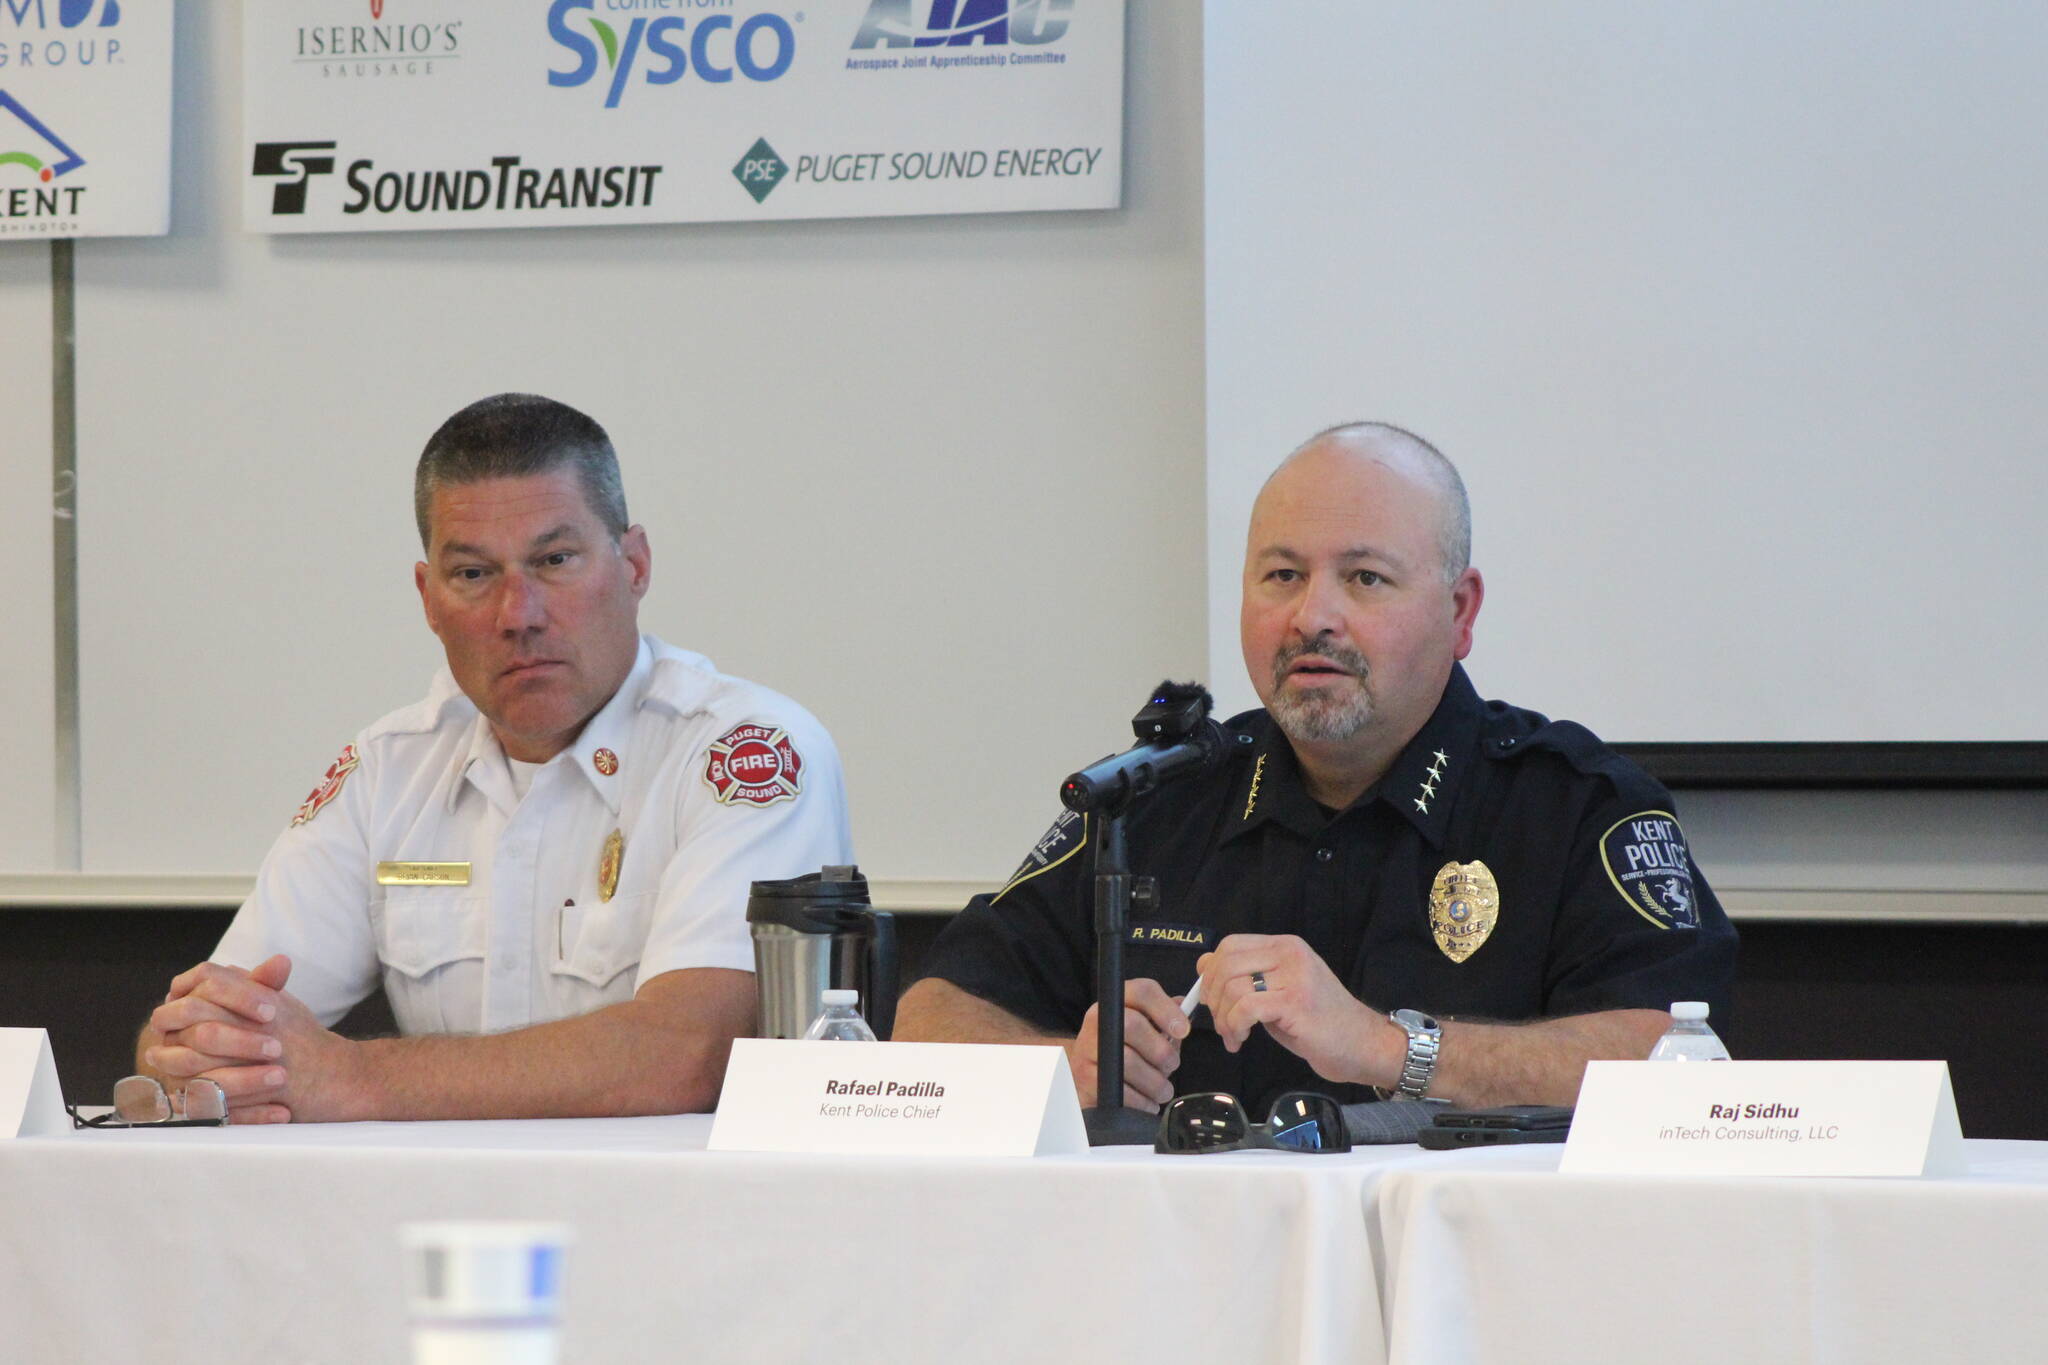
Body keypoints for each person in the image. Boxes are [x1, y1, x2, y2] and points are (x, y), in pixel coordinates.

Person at [895, 422, 1736, 1114]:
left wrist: (1387, 1047)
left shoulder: (1575, 807)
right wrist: (1062, 1071)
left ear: (1460, 610)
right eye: (1283, 575)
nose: (1313, 616)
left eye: (1365, 577)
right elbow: (930, 1012)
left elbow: (1673, 1060)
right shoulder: (1156, 798)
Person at [137, 393, 851, 1123]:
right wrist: (199, 1049)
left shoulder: (746, 753)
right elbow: (202, 1035)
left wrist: (359, 1076)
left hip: (676, 1219)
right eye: (475, 574)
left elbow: (692, 1049)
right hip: (424, 1216)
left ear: (633, 565)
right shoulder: (391, 768)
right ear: (428, 598)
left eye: (555, 560)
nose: (519, 614)